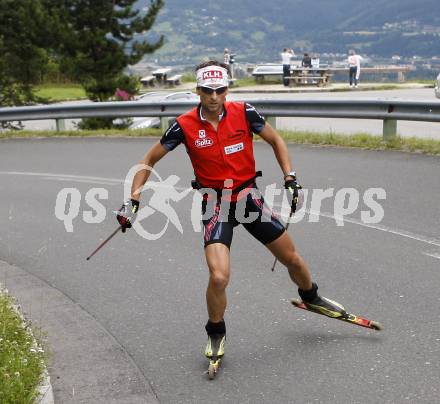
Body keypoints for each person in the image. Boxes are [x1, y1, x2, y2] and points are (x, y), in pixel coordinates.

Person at [116, 60, 346, 366]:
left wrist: (290, 177)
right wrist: (133, 199)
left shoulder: (244, 113)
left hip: (249, 198)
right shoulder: (184, 125)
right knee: (219, 276)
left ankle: (311, 297)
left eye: (220, 90)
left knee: (292, 259)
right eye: (207, 90)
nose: (214, 97)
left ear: (228, 90)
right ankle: (215, 330)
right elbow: (149, 159)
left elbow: (276, 140)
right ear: (197, 90)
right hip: (215, 204)